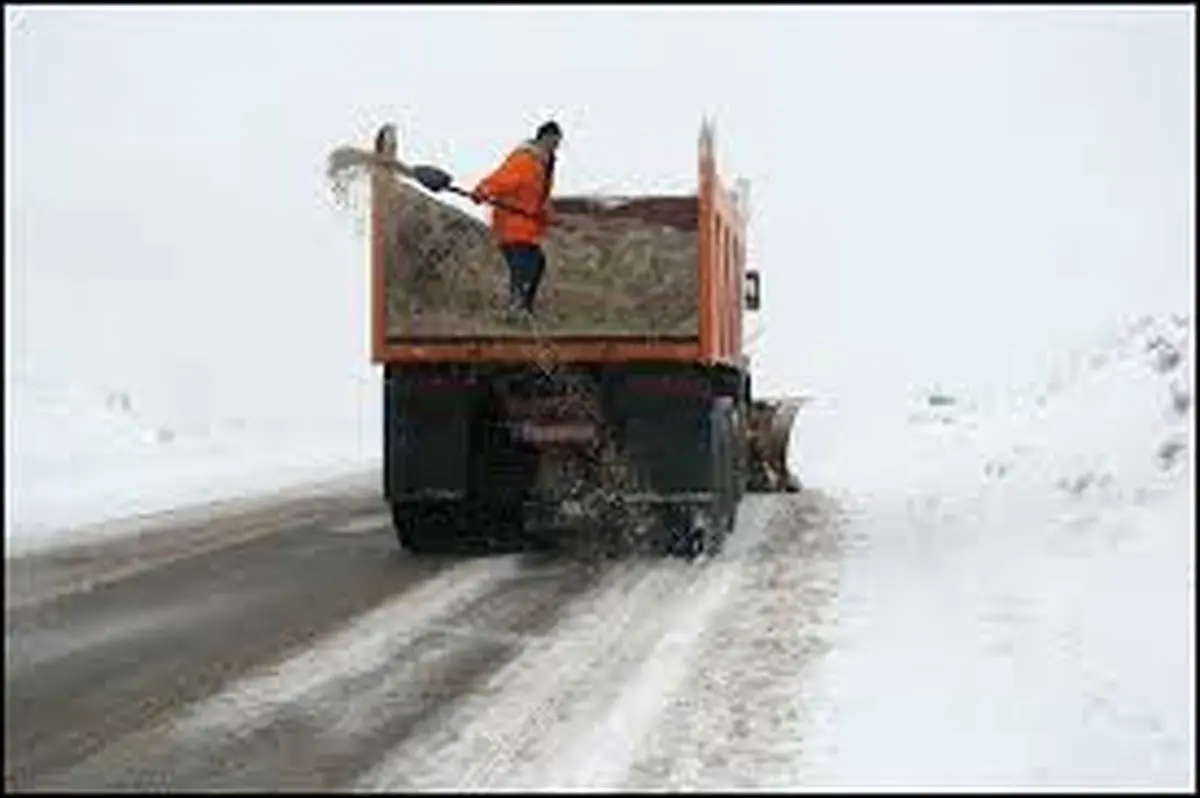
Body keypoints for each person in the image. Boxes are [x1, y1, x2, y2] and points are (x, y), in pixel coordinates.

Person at [471, 121, 562, 316]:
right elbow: (502, 178)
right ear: (544, 138)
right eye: (555, 141)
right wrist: (483, 190)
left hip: (527, 228)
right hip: (511, 226)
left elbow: (539, 197)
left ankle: (524, 309)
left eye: (559, 142)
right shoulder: (525, 160)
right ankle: (516, 310)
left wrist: (548, 216)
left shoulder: (544, 164)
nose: (557, 146)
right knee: (523, 268)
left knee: (537, 263)